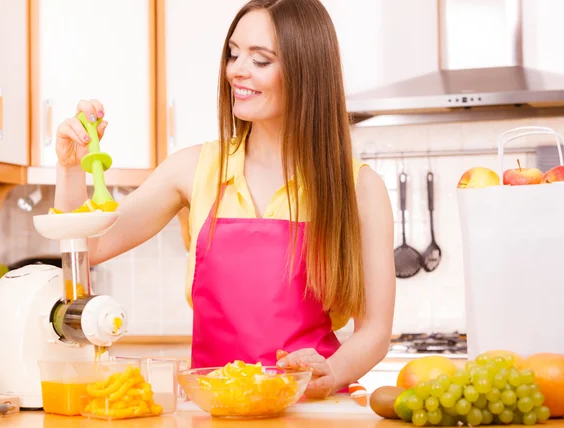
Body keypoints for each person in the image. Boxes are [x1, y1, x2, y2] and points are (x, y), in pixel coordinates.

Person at [54, 0, 396, 399]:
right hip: (217, 410)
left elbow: (373, 331)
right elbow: (90, 248)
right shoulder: (194, 168)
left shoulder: (358, 188)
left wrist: (329, 373)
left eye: (261, 60)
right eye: (233, 54)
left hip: (312, 410)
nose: (236, 70)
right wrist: (70, 168)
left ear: (307, 71)